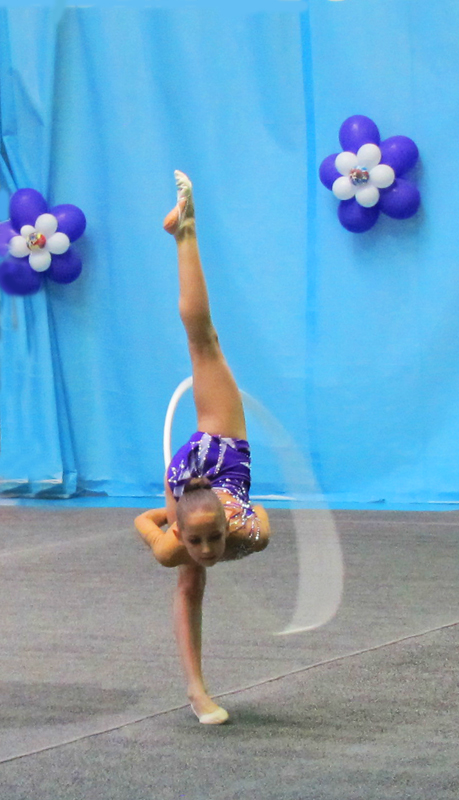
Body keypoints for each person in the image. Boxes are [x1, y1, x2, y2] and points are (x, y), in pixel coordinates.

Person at [134, 171, 271, 725]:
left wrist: (220, 524)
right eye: (202, 539)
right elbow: (142, 526)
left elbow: (247, 518)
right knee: (189, 579)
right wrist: (162, 521)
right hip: (200, 467)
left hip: (209, 459)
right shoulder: (179, 544)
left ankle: (184, 231)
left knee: (204, 339)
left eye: (213, 538)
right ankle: (196, 690)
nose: (211, 547)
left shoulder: (248, 533)